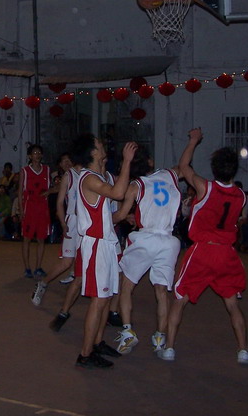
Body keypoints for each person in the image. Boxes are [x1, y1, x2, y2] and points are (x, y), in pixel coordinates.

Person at [159, 127, 248, 365]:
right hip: (226, 253)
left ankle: (169, 348)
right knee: (232, 303)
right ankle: (243, 350)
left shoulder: (205, 187)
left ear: (214, 168)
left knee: (179, 298)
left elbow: (184, 166)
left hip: (203, 250)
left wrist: (193, 141)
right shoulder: (242, 196)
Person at [71, 134, 137, 369]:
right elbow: (118, 193)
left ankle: (97, 343)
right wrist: (126, 161)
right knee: (98, 301)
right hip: (96, 245)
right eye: (99, 145)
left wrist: (125, 214)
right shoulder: (88, 178)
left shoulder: (98, 177)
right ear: (92, 152)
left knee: (106, 298)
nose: (103, 146)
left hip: (106, 243)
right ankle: (85, 354)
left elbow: (111, 213)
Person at [112, 146, 182, 355]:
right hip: (168, 240)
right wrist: (192, 142)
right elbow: (184, 164)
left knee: (126, 286)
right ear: (150, 162)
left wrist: (102, 220)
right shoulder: (169, 175)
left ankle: (127, 331)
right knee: (161, 291)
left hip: (145, 238)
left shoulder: (136, 185)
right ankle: (160, 337)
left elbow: (120, 215)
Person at [32, 153, 76, 306]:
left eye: (69, 160)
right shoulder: (66, 177)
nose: (67, 162)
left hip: (86, 222)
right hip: (72, 220)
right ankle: (43, 283)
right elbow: (59, 197)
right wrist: (63, 224)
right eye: (64, 161)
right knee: (66, 261)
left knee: (86, 257)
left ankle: (76, 278)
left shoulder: (84, 174)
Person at [19, 144, 52, 279]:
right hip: (30, 207)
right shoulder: (25, 171)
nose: (37, 155)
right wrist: (21, 209)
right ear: (29, 156)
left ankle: (38, 267)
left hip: (42, 207)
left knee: (41, 239)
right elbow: (20, 191)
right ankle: (27, 268)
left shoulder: (47, 170)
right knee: (27, 238)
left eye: (39, 153)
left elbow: (49, 189)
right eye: (34, 153)